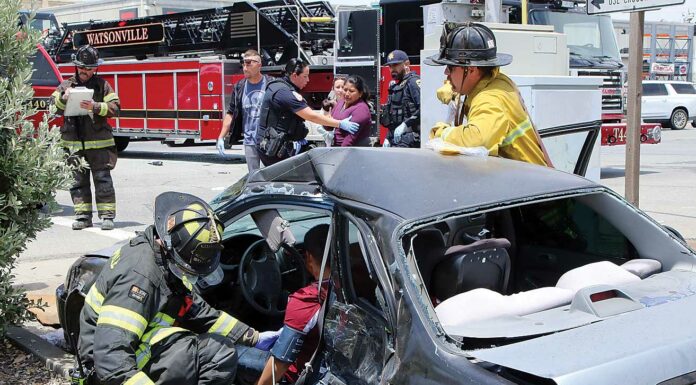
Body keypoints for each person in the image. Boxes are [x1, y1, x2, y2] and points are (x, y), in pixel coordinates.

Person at [78, 191, 276, 385]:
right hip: (109, 366)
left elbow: (194, 307)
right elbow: (112, 359)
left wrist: (252, 336)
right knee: (217, 355)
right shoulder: (139, 279)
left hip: (134, 348)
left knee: (214, 348)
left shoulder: (161, 257)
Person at [424, 23, 552, 166]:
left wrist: (442, 133)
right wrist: (453, 90)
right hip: (525, 178)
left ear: (471, 70)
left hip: (528, 183)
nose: (446, 73)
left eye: (450, 67)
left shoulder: (490, 99)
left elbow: (477, 140)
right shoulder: (496, 80)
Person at [51, 45, 120, 230]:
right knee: (77, 182)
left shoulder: (102, 85)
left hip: (99, 145)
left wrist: (95, 107)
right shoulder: (66, 86)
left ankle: (107, 217)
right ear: (76, 66)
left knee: (103, 180)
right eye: (83, 68)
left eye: (90, 69)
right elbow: (52, 107)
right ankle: (82, 216)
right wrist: (64, 98)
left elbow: (115, 108)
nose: (86, 72)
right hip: (73, 145)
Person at [257, 224, 331, 385]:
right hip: (329, 365)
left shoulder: (307, 300)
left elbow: (281, 362)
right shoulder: (360, 284)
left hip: (301, 375)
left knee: (228, 354)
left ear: (308, 257)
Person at [257, 58, 359, 165]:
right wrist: (340, 124)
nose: (308, 80)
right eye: (305, 76)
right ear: (294, 75)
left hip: (271, 145)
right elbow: (311, 116)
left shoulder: (278, 86)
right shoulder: (285, 93)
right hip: (275, 149)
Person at [217, 50, 273, 173]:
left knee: (271, 178)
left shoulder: (270, 83)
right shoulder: (239, 87)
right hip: (249, 142)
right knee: (254, 179)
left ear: (259, 65)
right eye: (243, 63)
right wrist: (221, 137)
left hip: (268, 141)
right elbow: (231, 113)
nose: (245, 67)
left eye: (248, 63)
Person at [381, 49, 421, 148]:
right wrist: (388, 137)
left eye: (395, 65)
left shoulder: (413, 82)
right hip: (396, 139)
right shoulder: (394, 87)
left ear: (406, 64)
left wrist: (405, 125)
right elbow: (393, 117)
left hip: (411, 138)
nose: (392, 69)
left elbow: (423, 109)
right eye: (390, 66)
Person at [327, 75, 372, 147]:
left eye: (351, 91)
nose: (347, 94)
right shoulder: (340, 103)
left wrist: (340, 155)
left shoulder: (361, 109)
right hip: (336, 147)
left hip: (352, 151)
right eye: (345, 90)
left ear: (360, 93)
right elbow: (328, 126)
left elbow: (349, 140)